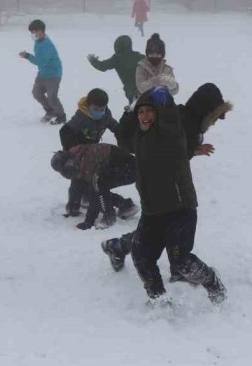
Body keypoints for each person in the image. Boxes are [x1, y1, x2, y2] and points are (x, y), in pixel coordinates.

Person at [99, 89, 227, 306]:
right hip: (152, 210)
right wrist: (129, 112)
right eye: (142, 112)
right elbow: (123, 138)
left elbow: (171, 120)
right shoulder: (139, 139)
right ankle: (159, 299)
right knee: (141, 256)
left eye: (150, 111)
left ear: (159, 113)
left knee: (181, 261)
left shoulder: (170, 132)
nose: (145, 115)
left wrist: (164, 100)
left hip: (179, 208)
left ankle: (213, 283)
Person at [58, 88, 136, 226]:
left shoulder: (105, 115)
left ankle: (123, 204)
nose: (99, 111)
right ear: (88, 106)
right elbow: (64, 131)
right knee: (81, 180)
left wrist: (124, 139)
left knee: (94, 185)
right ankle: (74, 207)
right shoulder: (80, 117)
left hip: (97, 154)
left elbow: (115, 127)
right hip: (81, 152)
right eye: (96, 108)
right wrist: (71, 149)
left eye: (102, 108)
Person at [51, 142, 138, 230]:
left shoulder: (87, 160)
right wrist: (73, 208)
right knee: (91, 185)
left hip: (130, 170)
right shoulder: (78, 158)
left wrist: (89, 222)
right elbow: (76, 184)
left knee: (97, 184)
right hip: (120, 167)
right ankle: (125, 205)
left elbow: (95, 194)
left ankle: (109, 217)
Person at [20, 19, 66, 124]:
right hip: (43, 73)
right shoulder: (39, 41)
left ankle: (61, 116)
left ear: (40, 31)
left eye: (34, 31)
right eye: (31, 32)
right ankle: (50, 111)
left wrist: (27, 56)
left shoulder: (47, 45)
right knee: (36, 93)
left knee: (52, 96)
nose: (32, 34)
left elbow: (41, 62)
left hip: (54, 74)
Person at [87, 35, 145, 106]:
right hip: (145, 88)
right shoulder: (139, 56)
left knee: (136, 109)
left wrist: (93, 61)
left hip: (131, 91)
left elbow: (102, 66)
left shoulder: (117, 58)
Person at [135, 33, 179, 98]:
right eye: (152, 53)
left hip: (163, 102)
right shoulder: (141, 67)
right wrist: (158, 80)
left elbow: (175, 91)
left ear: (162, 55)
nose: (154, 56)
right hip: (144, 102)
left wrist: (172, 84)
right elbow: (141, 89)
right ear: (147, 54)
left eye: (158, 53)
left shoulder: (167, 69)